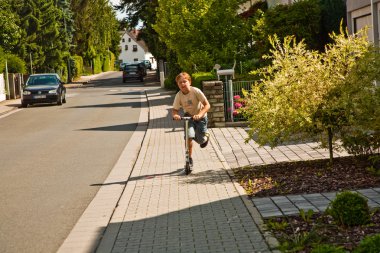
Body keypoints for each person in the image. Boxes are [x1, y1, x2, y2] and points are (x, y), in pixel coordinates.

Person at [172, 72, 211, 166]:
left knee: (201, 141)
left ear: (189, 82)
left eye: (184, 81)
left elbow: (207, 105)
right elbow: (175, 110)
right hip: (188, 117)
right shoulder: (179, 95)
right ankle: (189, 159)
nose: (182, 84)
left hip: (200, 117)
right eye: (180, 83)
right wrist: (175, 115)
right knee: (189, 137)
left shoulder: (196, 91)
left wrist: (200, 114)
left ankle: (206, 137)